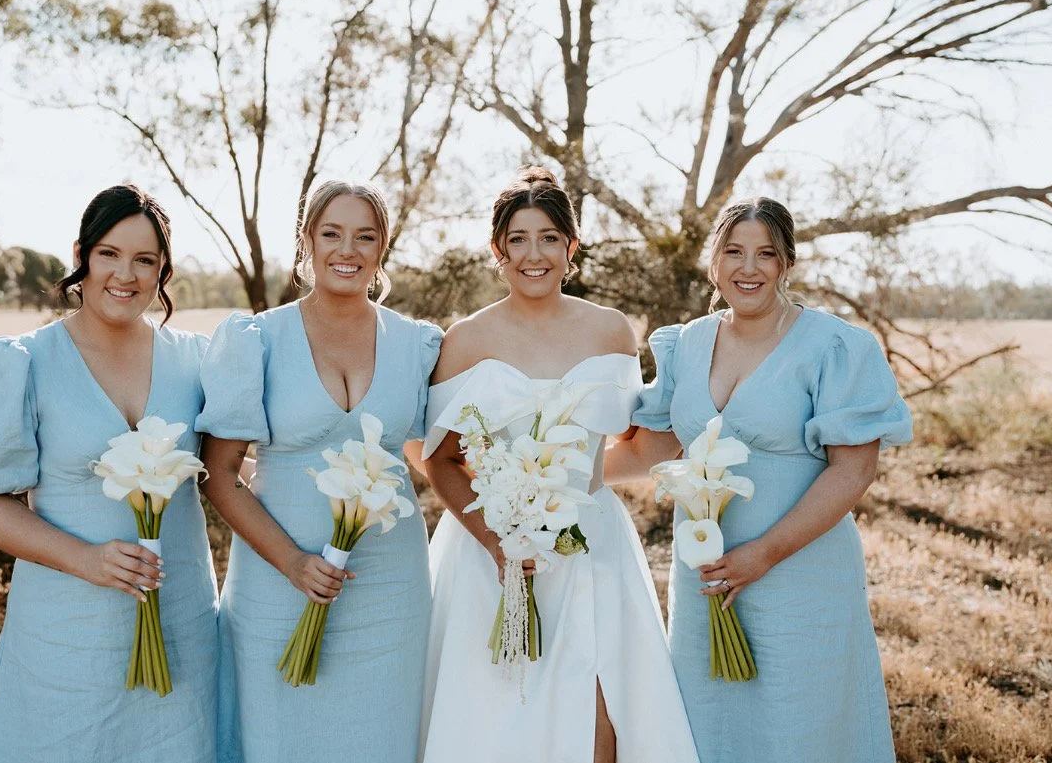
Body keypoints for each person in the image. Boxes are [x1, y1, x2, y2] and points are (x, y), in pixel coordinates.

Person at [606, 196, 913, 763]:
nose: (749, 268)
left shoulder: (833, 347)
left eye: (766, 254)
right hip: (708, 573)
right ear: (713, 261)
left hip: (800, 573)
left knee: (798, 723)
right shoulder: (688, 343)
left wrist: (765, 554)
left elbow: (855, 469)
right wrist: (557, 478)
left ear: (787, 264)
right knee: (708, 721)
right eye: (735, 252)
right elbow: (658, 444)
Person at [0, 184, 218, 762]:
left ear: (163, 271)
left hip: (181, 614)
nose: (125, 274)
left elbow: (229, 467)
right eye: (109, 253)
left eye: (145, 260)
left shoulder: (197, 360)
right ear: (81, 255)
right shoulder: (23, 362)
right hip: (67, 627)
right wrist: (85, 559)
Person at [419, 167, 700, 763]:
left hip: (591, 545)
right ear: (498, 252)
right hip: (489, 550)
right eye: (517, 240)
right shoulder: (465, 340)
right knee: (495, 721)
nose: (533, 254)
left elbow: (631, 443)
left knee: (604, 714)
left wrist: (690, 430)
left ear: (571, 248)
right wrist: (495, 539)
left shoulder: (611, 331)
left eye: (548, 237)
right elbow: (439, 458)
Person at [196, 179, 442, 763]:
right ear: (307, 240)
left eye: (365, 236)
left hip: (390, 586)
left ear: (383, 247)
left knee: (383, 734)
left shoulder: (418, 344)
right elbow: (219, 472)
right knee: (281, 735)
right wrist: (293, 562)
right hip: (276, 581)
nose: (347, 250)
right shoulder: (256, 338)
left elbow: (436, 458)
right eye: (331, 233)